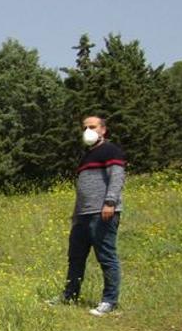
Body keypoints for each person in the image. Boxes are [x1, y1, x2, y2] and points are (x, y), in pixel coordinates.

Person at [51, 115, 126, 316]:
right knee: (75, 257)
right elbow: (82, 189)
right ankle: (69, 295)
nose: (88, 131)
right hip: (83, 216)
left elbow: (117, 178)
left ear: (103, 130)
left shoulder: (111, 150)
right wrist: (76, 215)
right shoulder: (86, 156)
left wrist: (110, 203)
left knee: (106, 257)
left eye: (92, 127)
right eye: (85, 127)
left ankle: (109, 301)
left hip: (102, 213)